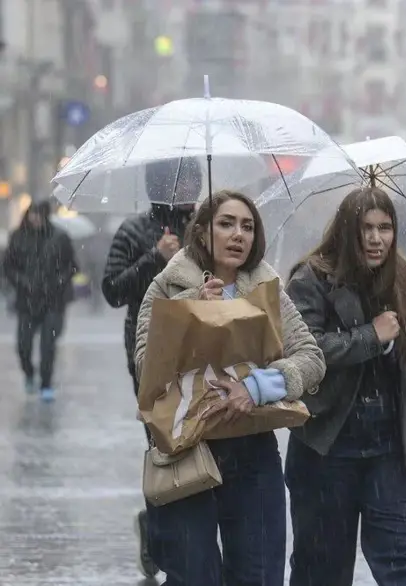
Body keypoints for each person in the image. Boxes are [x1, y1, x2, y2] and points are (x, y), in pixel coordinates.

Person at [285, 186, 406, 586]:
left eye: (385, 227)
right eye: (365, 228)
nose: (376, 238)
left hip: (393, 449)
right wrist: (370, 336)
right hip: (327, 448)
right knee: (322, 568)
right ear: (346, 231)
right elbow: (306, 352)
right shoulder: (311, 280)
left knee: (404, 564)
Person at [134, 190, 325, 586]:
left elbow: (310, 358)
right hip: (186, 452)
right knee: (194, 576)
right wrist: (191, 311)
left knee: (259, 574)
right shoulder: (168, 286)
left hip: (252, 449)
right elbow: (145, 367)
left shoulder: (266, 288)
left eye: (247, 226)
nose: (238, 234)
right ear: (202, 233)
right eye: (226, 224)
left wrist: (256, 387)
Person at [101, 157, 201, 579]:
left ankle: (186, 535)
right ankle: (160, 532)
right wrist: (153, 258)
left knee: (198, 444)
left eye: (195, 180)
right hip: (150, 358)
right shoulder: (134, 231)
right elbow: (112, 290)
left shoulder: (205, 230)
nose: (190, 189)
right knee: (164, 446)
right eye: (183, 181)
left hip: (199, 353)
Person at [3, 200, 78, 402]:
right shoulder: (18, 237)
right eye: (32, 214)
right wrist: (23, 282)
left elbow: (72, 267)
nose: (35, 219)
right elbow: (8, 267)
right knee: (23, 345)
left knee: (48, 345)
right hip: (27, 301)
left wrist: (56, 282)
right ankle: (29, 373)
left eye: (38, 214)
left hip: (52, 302)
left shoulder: (60, 238)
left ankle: (46, 384)